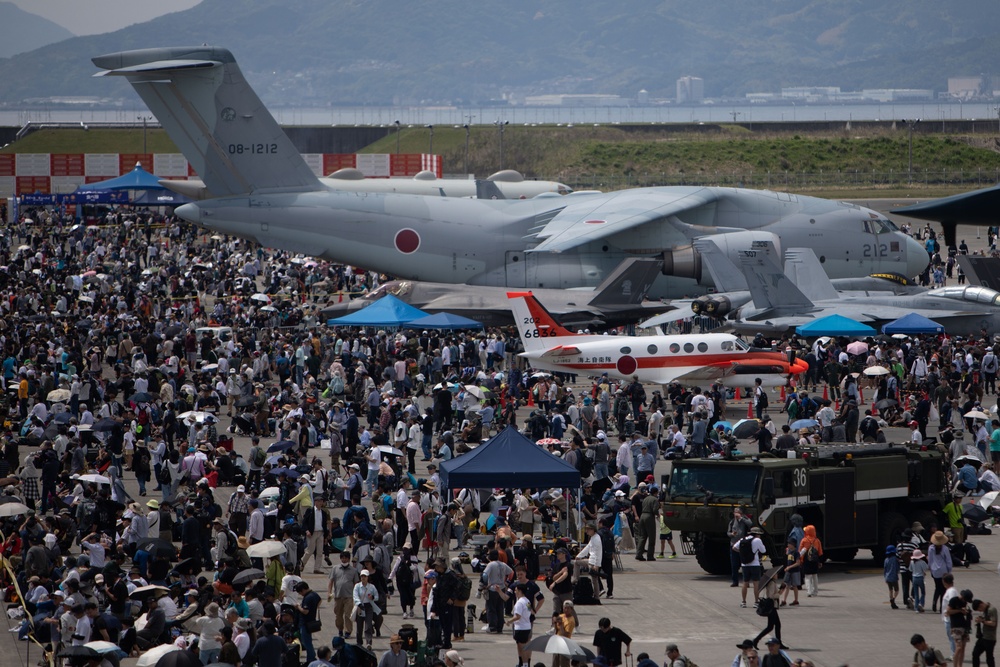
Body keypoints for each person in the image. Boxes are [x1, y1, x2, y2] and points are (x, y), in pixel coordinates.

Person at [329, 551, 360, 639]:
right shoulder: (335, 568)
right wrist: (329, 592)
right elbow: (331, 581)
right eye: (342, 558)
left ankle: (348, 631)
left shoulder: (353, 571)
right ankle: (340, 629)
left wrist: (356, 595)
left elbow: (356, 584)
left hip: (349, 596)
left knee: (348, 615)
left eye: (346, 558)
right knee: (338, 615)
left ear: (348, 559)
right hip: (338, 596)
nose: (344, 560)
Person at [733, 526, 767, 607]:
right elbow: (763, 550)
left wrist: (741, 552)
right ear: (757, 534)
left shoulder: (743, 539)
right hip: (755, 564)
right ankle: (756, 602)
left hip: (744, 564)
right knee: (756, 584)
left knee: (745, 583)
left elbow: (734, 547)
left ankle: (743, 602)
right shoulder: (757, 540)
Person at [506, 584, 533, 667]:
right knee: (527, 646)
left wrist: (509, 621)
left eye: (516, 590)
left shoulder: (519, 603)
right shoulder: (527, 601)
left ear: (520, 591)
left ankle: (524, 664)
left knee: (522, 647)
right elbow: (530, 611)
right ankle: (526, 662)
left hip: (521, 628)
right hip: (527, 626)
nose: (515, 591)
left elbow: (517, 616)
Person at [353, 569, 379, 649]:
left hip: (368, 607)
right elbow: (355, 596)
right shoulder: (357, 586)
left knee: (368, 625)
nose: (363, 578)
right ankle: (359, 642)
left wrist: (373, 597)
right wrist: (359, 604)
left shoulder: (372, 587)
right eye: (362, 576)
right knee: (359, 626)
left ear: (368, 577)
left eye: (364, 576)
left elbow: (377, 597)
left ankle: (368, 642)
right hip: (360, 607)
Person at [297, 580, 322, 663]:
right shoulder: (314, 594)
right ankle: (311, 656)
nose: (300, 594)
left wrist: (298, 607)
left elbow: (305, 611)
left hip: (305, 622)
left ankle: (311, 658)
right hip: (311, 621)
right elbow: (320, 601)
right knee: (308, 641)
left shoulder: (308, 597)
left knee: (306, 641)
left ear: (303, 589)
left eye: (300, 592)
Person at [728, 508, 752, 588]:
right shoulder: (732, 521)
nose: (736, 514)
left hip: (743, 545)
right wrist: (731, 534)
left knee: (744, 564)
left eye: (737, 512)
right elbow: (728, 532)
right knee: (734, 565)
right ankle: (735, 581)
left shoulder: (744, 519)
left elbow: (750, 524)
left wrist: (741, 518)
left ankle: (746, 582)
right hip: (734, 545)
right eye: (735, 512)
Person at [798, 525, 823, 598]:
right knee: (815, 576)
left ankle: (809, 591)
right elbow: (820, 552)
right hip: (815, 561)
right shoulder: (817, 540)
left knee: (807, 577)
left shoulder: (804, 540)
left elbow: (801, 552)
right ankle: (815, 591)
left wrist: (801, 560)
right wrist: (820, 562)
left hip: (807, 561)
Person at [885, 544, 901, 610]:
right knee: (896, 590)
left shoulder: (886, 559)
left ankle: (891, 599)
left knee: (890, 590)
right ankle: (893, 599)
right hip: (894, 576)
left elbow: (885, 569)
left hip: (887, 577)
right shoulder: (895, 559)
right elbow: (897, 568)